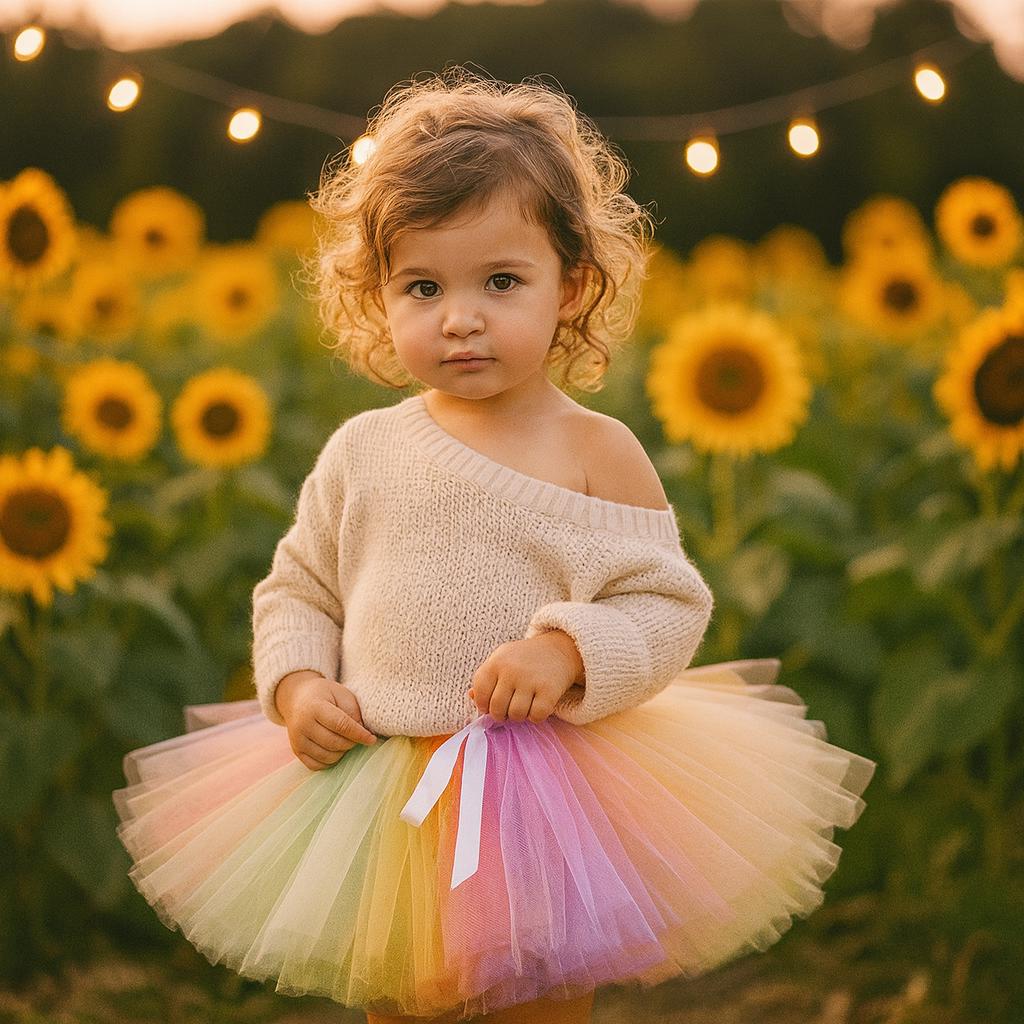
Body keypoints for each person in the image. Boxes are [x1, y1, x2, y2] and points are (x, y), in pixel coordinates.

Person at [112, 67, 876, 1024]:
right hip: (382, 788)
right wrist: (298, 683)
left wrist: (566, 651)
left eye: (501, 281)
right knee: (395, 993)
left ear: (572, 287)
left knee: (537, 1005)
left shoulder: (595, 451)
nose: (460, 316)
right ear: (376, 294)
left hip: (540, 797)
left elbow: (667, 604)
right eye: (422, 286)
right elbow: (298, 589)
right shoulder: (364, 450)